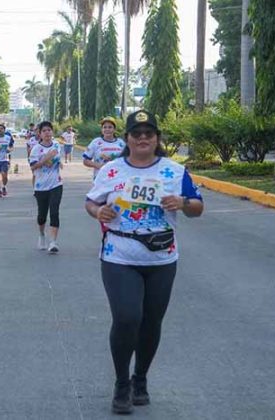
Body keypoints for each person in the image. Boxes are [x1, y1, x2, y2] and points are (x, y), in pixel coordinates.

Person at [84, 110, 204, 414]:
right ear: (127, 138)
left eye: (148, 133)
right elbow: (91, 201)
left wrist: (183, 203)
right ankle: (121, 382)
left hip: (162, 258)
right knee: (127, 317)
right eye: (136, 134)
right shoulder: (111, 170)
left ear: (157, 138)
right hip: (119, 255)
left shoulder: (174, 171)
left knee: (151, 322)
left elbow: (197, 207)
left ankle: (140, 378)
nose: (142, 139)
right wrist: (98, 212)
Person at [29, 121, 63, 254]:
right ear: (40, 134)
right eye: (44, 131)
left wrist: (57, 162)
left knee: (54, 212)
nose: (47, 133)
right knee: (42, 216)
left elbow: (56, 159)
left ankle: (53, 242)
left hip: (56, 184)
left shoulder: (56, 145)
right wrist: (46, 158)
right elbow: (33, 166)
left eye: (49, 130)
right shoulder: (36, 149)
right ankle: (42, 234)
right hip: (41, 186)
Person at [83, 116, 126, 181]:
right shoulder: (96, 142)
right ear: (102, 129)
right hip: (101, 179)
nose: (107, 129)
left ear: (114, 129)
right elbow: (85, 161)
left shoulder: (121, 143)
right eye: (104, 127)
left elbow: (128, 159)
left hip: (118, 179)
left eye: (110, 127)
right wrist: (99, 165)